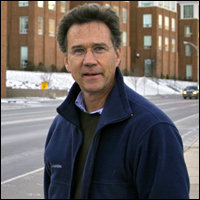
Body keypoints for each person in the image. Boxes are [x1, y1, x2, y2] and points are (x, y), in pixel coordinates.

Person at [44, 3, 189, 199]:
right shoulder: (60, 128)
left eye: (99, 48)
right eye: (78, 50)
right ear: (67, 61)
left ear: (117, 55)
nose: (89, 60)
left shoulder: (153, 130)